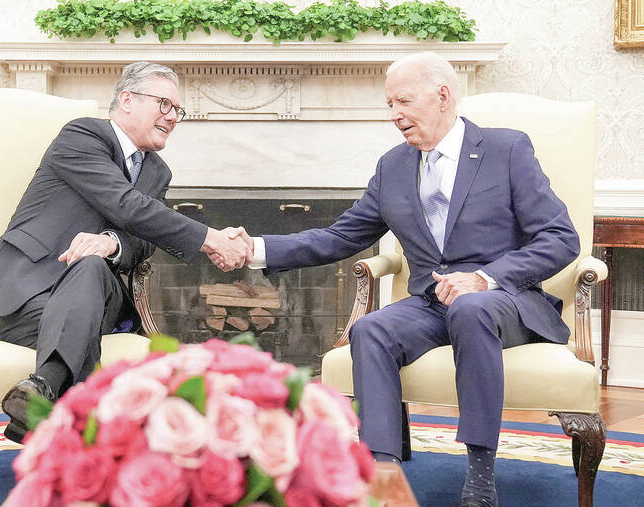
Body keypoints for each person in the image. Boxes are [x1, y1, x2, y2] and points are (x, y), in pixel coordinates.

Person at [225, 52, 580, 506]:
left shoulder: (506, 149)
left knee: (471, 307)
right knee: (371, 328)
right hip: (432, 305)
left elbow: (560, 238)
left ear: (442, 96)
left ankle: (480, 474)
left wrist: (484, 278)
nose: (395, 114)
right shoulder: (393, 165)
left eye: (404, 101)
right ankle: (382, 475)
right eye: (390, 104)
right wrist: (255, 249)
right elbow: (341, 236)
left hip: (504, 301)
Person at [0, 62, 251, 443]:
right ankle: (65, 423)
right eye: (164, 104)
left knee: (93, 266)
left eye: (177, 110)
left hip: (95, 295)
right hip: (22, 297)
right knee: (80, 323)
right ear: (127, 99)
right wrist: (210, 238)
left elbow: (144, 239)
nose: (172, 117)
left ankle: (39, 392)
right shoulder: (82, 136)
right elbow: (127, 205)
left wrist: (112, 242)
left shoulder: (158, 173)